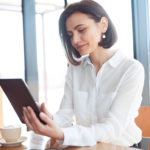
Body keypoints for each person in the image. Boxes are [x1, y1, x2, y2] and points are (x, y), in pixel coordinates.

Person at [22, 0, 145, 148]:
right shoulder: (75, 69)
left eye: (81, 30)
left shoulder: (131, 69)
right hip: (86, 147)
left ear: (103, 25)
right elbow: (65, 116)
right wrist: (49, 119)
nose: (74, 40)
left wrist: (62, 134)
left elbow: (112, 128)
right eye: (70, 34)